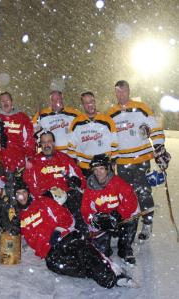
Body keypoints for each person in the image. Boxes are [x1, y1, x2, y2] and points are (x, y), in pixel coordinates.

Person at [15, 180, 137, 288]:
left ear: (28, 192)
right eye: (18, 194)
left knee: (86, 253)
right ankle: (101, 273)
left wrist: (58, 230)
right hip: (51, 252)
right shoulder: (20, 219)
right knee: (63, 266)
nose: (21, 196)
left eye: (23, 192)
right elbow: (29, 241)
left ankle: (117, 276)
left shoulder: (43, 202)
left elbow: (68, 218)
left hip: (67, 237)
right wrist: (45, 247)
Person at [107, 80, 171, 240]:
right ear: (115, 93)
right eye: (118, 91)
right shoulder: (110, 114)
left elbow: (155, 127)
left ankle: (147, 224)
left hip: (141, 159)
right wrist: (110, 158)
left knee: (143, 192)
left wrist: (159, 148)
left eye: (124, 91)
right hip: (122, 163)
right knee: (125, 195)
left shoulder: (141, 108)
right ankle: (128, 224)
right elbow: (109, 138)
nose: (121, 94)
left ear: (129, 91)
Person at [81, 154, 139, 264]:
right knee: (102, 255)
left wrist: (119, 213)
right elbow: (86, 209)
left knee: (133, 218)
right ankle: (104, 248)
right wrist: (95, 220)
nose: (98, 172)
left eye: (102, 168)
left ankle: (125, 249)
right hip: (103, 222)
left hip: (119, 219)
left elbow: (131, 202)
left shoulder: (118, 183)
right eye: (95, 169)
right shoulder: (90, 188)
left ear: (108, 169)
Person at [23, 131, 86, 231]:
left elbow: (81, 180)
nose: (46, 145)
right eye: (43, 142)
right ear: (40, 144)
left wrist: (77, 182)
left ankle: (83, 233)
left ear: (54, 143)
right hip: (47, 199)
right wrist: (46, 196)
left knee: (76, 199)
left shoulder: (64, 158)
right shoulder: (34, 162)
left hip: (67, 197)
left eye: (49, 141)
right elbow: (30, 185)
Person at [0, 91, 36, 201]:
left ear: (12, 102)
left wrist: (29, 157)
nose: (5, 103)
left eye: (7, 100)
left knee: (17, 194)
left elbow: (29, 140)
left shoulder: (22, 118)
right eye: (2, 101)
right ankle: (1, 216)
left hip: (18, 163)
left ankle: (16, 216)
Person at [69, 91, 118, 178]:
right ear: (83, 105)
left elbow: (115, 143)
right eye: (86, 103)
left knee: (108, 191)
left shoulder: (107, 120)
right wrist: (73, 165)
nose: (89, 105)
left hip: (104, 166)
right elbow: (71, 147)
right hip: (85, 168)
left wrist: (113, 162)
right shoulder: (76, 123)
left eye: (91, 102)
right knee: (88, 191)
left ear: (95, 102)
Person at [32, 90, 82, 155]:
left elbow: (85, 127)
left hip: (70, 153)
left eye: (58, 99)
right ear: (50, 102)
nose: (56, 103)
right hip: (50, 152)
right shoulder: (42, 114)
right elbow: (32, 130)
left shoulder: (74, 113)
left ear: (62, 100)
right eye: (53, 100)